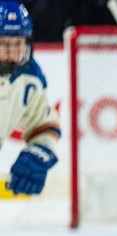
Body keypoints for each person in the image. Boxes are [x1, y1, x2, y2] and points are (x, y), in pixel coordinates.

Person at [1, 2, 60, 197]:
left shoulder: (29, 79)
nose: (11, 53)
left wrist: (39, 151)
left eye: (17, 44)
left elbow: (44, 124)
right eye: (3, 44)